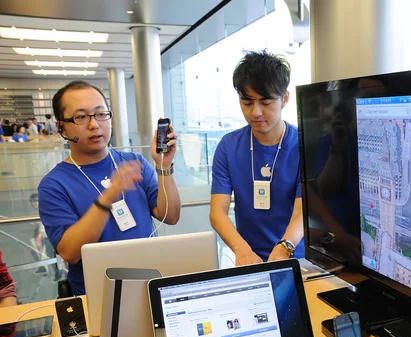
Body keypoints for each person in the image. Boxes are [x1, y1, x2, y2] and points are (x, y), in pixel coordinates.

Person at [38, 80, 181, 295]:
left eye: (100, 114)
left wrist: (164, 167)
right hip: (98, 295)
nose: (94, 124)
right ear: (61, 127)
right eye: (81, 117)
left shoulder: (134, 162)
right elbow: (70, 252)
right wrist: (109, 196)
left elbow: (170, 216)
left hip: (151, 285)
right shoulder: (54, 185)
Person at [209, 50, 304, 266]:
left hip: (295, 258)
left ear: (285, 99)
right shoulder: (228, 147)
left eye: (266, 102)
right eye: (247, 102)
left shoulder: (303, 146)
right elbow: (217, 212)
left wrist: (284, 249)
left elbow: (301, 211)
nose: (256, 112)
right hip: (248, 259)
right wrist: (242, 251)